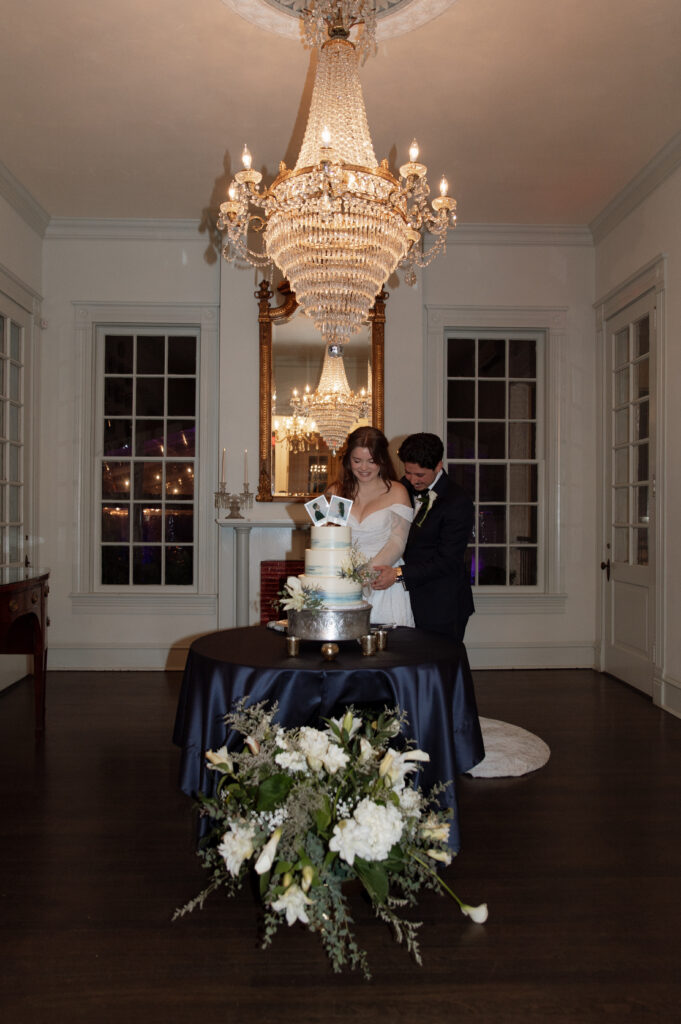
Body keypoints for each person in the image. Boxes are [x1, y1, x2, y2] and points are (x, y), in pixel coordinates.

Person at [372, 432, 474, 643]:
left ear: (438, 466)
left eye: (419, 475)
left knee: (439, 667)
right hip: (405, 599)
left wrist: (398, 574)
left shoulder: (458, 501)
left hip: (442, 602)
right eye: (408, 472)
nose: (412, 479)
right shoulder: (401, 488)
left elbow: (447, 561)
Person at [326, 426, 415, 627]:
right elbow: (329, 539)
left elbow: (397, 542)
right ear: (348, 460)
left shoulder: (396, 491)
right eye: (357, 461)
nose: (363, 467)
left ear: (382, 460)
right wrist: (345, 582)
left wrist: (364, 576)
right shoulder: (337, 491)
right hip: (343, 582)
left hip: (382, 580)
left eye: (371, 461)